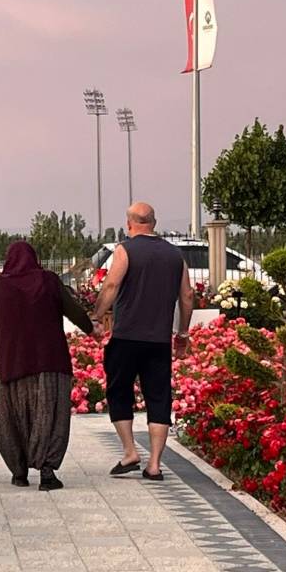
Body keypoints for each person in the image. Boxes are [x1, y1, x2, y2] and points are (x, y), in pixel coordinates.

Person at [0, 242, 93, 491]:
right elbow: (73, 310)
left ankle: (19, 471)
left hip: (12, 363)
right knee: (48, 416)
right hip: (50, 362)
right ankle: (47, 471)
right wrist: (92, 328)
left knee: (12, 418)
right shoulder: (49, 281)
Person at [91, 202, 194, 481]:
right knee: (159, 397)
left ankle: (130, 452)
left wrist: (97, 315)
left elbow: (111, 285)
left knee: (119, 391)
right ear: (154, 222)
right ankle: (155, 465)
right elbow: (187, 296)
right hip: (159, 341)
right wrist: (182, 333)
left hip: (126, 336)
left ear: (130, 224)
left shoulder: (125, 250)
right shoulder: (175, 256)